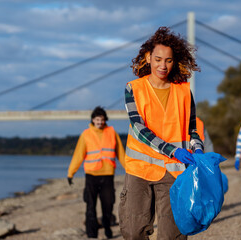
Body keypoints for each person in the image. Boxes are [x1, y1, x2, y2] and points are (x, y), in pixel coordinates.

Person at [118, 27, 204, 240]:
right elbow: (139, 128)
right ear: (148, 57)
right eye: (158, 59)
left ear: (175, 61)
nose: (162, 66)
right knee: (132, 231)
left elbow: (192, 129)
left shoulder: (184, 91)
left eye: (168, 60)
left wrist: (198, 150)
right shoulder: (133, 88)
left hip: (173, 171)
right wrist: (172, 150)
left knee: (172, 234)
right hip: (140, 169)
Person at [67, 106, 125, 239]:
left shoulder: (112, 132)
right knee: (90, 206)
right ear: (93, 120)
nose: (100, 122)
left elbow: (121, 154)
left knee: (108, 205)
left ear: (105, 120)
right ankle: (92, 234)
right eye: (97, 119)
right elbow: (78, 155)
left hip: (107, 175)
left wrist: (130, 171)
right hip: (91, 175)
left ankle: (107, 227)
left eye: (102, 119)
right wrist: (71, 173)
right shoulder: (86, 134)